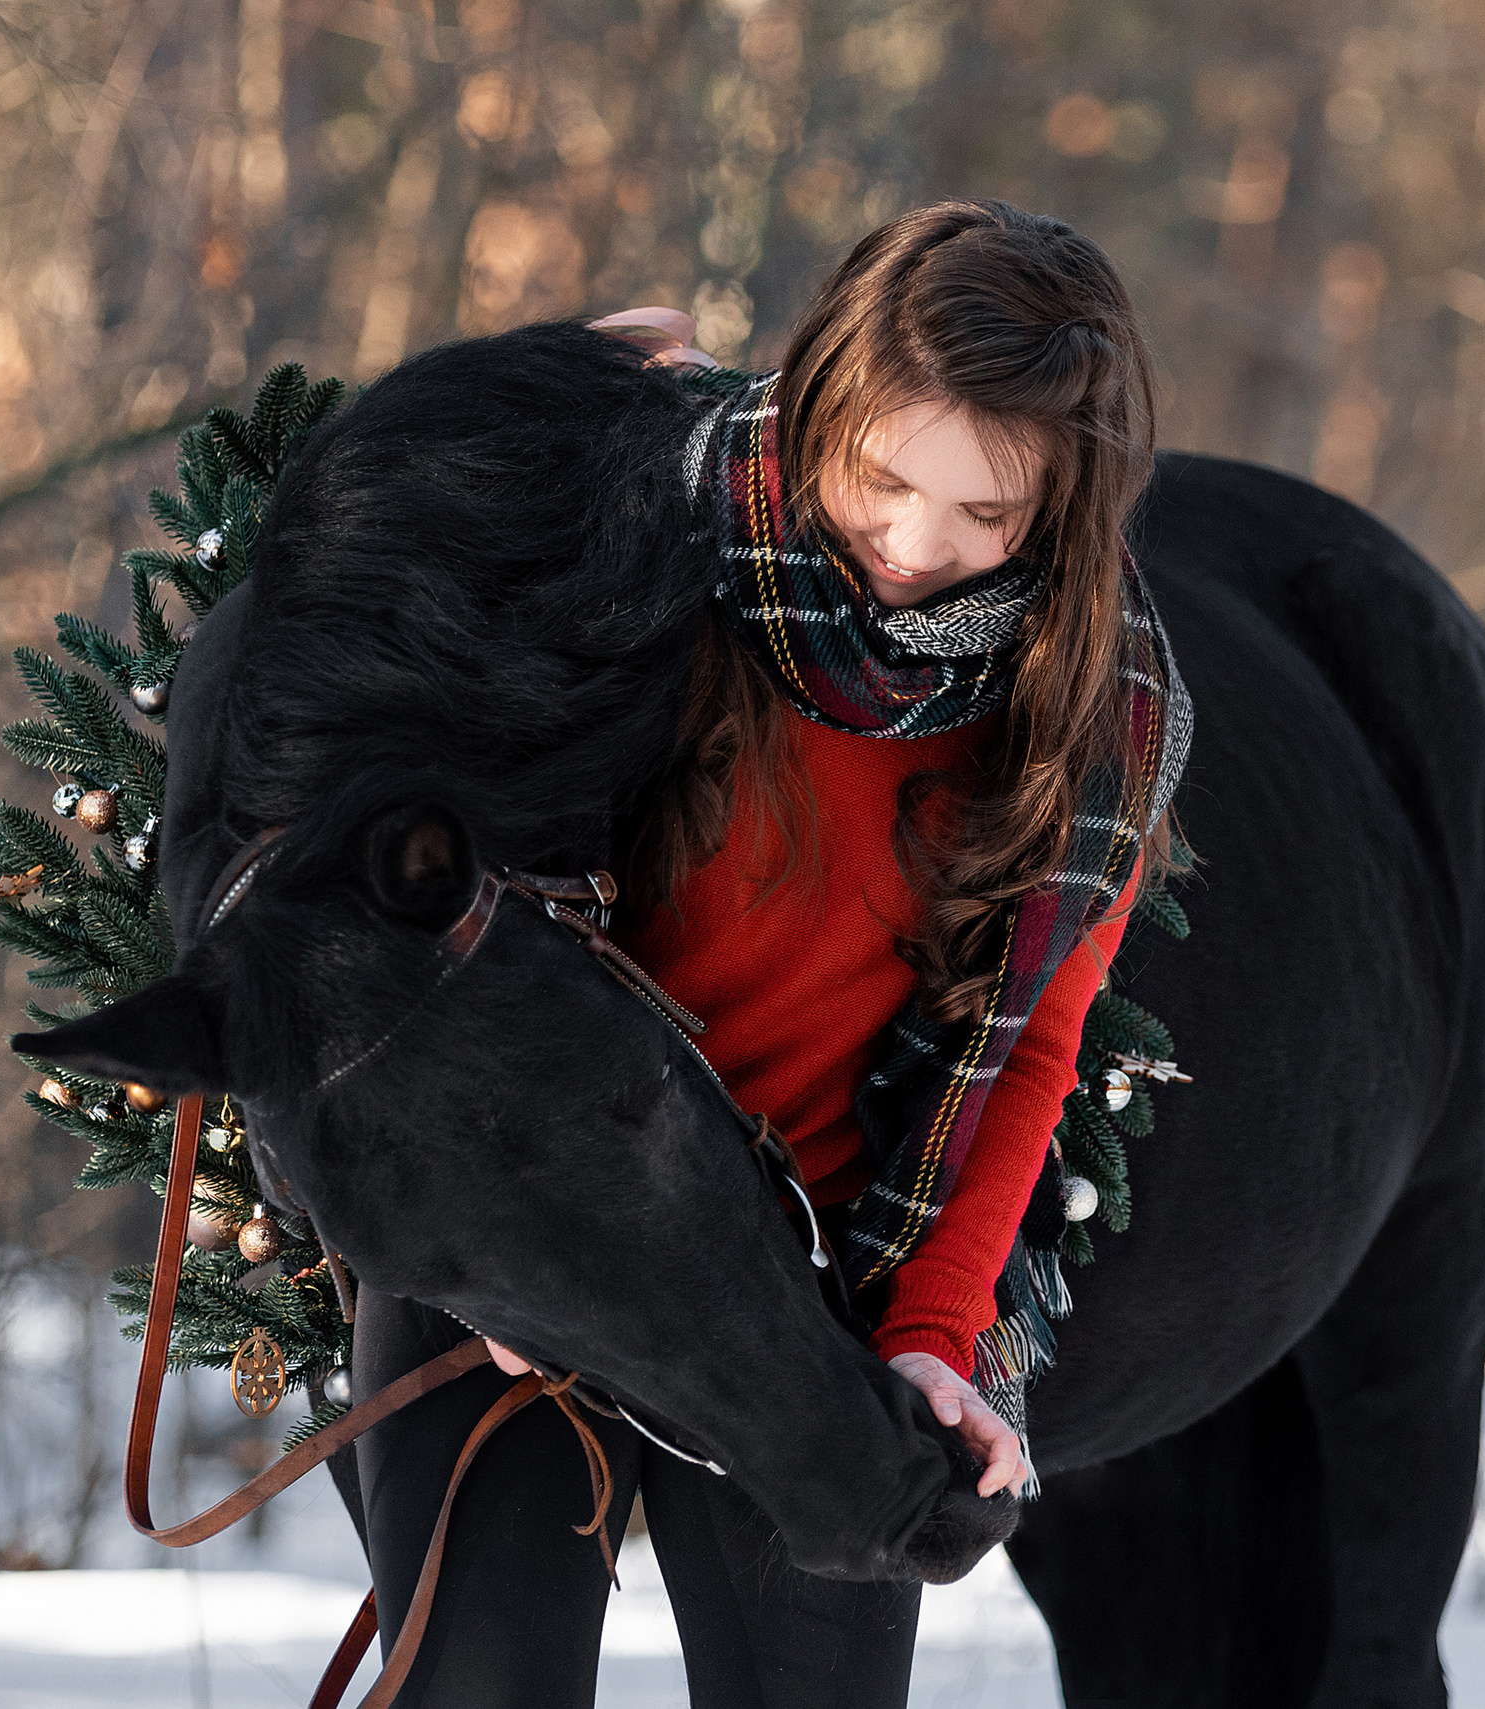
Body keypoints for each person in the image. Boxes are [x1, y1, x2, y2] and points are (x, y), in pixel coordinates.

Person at [349, 198, 1186, 1709]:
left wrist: (933, 1333)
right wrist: (482, 1216)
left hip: (811, 1284)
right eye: (884, 478)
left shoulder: (1094, 713)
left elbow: (1027, 1052)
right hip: (527, 1206)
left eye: (987, 512)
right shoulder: (639, 528)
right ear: (821, 408)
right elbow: (419, 861)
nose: (916, 549)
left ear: (1062, 509)